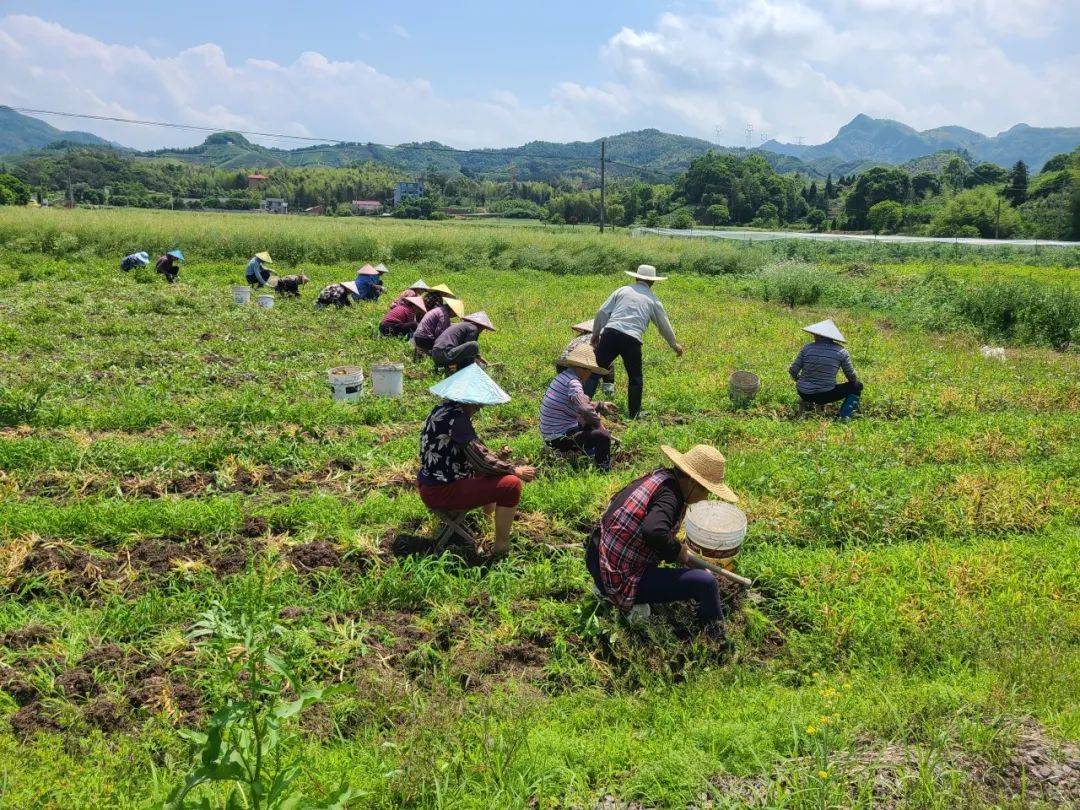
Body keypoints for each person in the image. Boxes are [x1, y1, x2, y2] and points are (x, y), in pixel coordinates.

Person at [586, 443, 738, 640]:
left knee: (696, 574)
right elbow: (654, 531)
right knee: (706, 583)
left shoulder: (661, 478)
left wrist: (680, 552)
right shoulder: (671, 496)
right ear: (693, 482)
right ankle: (716, 641)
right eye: (706, 490)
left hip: (597, 556)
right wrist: (677, 552)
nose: (706, 497)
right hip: (616, 575)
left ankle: (607, 590)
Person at [417, 364, 537, 556]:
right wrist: (515, 470)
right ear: (469, 402)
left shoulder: (442, 410)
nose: (477, 410)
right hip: (441, 491)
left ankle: (488, 520)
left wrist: (498, 460)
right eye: (477, 406)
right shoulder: (457, 420)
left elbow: (476, 454)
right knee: (511, 485)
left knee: (493, 472)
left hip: (431, 484)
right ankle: (501, 547)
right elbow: (481, 460)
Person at [585, 264, 683, 419]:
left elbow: (603, 312)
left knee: (595, 371)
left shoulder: (622, 290)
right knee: (635, 378)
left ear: (636, 277)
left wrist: (596, 333)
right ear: (653, 282)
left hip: (611, 333)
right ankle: (634, 414)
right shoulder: (653, 300)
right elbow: (663, 325)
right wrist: (674, 344)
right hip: (632, 339)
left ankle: (582, 406)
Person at [540, 344, 616, 470]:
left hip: (550, 433)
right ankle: (603, 469)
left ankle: (587, 452)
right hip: (559, 437)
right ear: (584, 369)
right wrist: (600, 428)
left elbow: (579, 404)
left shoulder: (562, 377)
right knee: (602, 437)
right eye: (590, 371)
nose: (589, 375)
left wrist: (600, 405)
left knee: (588, 420)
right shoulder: (574, 383)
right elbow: (584, 409)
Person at [789, 319, 863, 419]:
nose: (814, 336)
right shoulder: (841, 351)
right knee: (857, 386)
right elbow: (851, 377)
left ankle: (810, 409)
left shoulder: (807, 348)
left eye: (815, 334)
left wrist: (799, 379)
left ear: (819, 335)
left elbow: (793, 370)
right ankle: (844, 417)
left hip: (804, 392)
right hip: (826, 395)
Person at [562, 320, 615, 397]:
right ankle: (607, 392)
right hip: (581, 368)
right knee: (608, 363)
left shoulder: (578, 337)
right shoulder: (599, 339)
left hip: (563, 366)